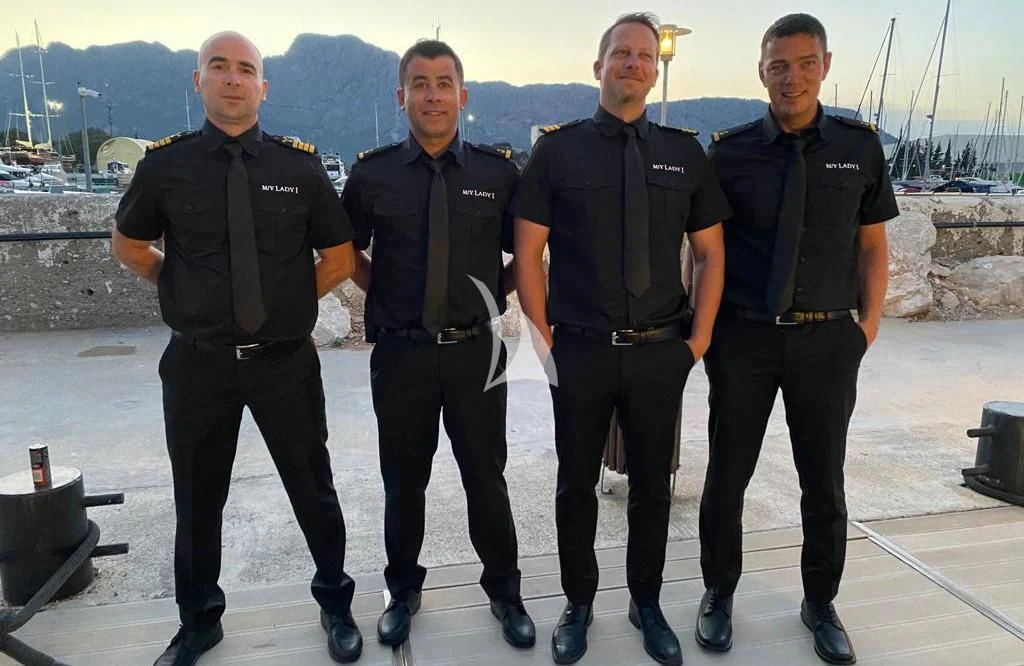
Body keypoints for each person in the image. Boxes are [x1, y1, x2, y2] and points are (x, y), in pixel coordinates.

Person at [111, 31, 362, 665]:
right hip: (198, 364)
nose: (232, 78)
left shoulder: (298, 167)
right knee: (197, 497)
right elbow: (130, 246)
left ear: (262, 86)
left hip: (284, 362)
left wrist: (285, 303)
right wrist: (180, 286)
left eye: (245, 69)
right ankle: (199, 622)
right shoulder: (164, 167)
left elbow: (338, 258)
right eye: (218, 67)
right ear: (197, 81)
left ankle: (335, 603)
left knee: (314, 488)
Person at [512, 13, 729, 665]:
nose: (633, 63)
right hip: (578, 347)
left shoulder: (684, 153)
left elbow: (711, 253)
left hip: (661, 349)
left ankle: (647, 600)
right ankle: (578, 604)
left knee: (653, 488)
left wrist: (696, 341)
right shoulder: (558, 150)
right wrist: (544, 337)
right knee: (575, 483)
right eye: (620, 54)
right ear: (598, 65)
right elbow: (528, 253)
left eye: (643, 55)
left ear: (654, 68)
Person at [694, 13, 898, 666]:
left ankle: (819, 603)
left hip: (826, 344)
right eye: (779, 65)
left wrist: (864, 328)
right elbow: (703, 252)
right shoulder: (727, 152)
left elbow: (873, 246)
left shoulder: (860, 147)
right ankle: (718, 593)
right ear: (761, 72)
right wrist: (705, 336)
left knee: (824, 484)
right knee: (727, 478)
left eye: (806, 63)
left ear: (826, 66)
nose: (793, 77)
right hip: (744, 341)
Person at [340, 40, 535, 650]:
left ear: (462, 95)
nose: (432, 94)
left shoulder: (497, 172)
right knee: (403, 481)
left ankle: (505, 592)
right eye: (419, 83)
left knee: (487, 477)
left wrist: (495, 296)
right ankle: (402, 591)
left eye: (443, 82)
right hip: (400, 354)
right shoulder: (371, 174)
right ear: (402, 96)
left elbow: (523, 255)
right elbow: (348, 254)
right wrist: (389, 295)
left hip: (475, 353)